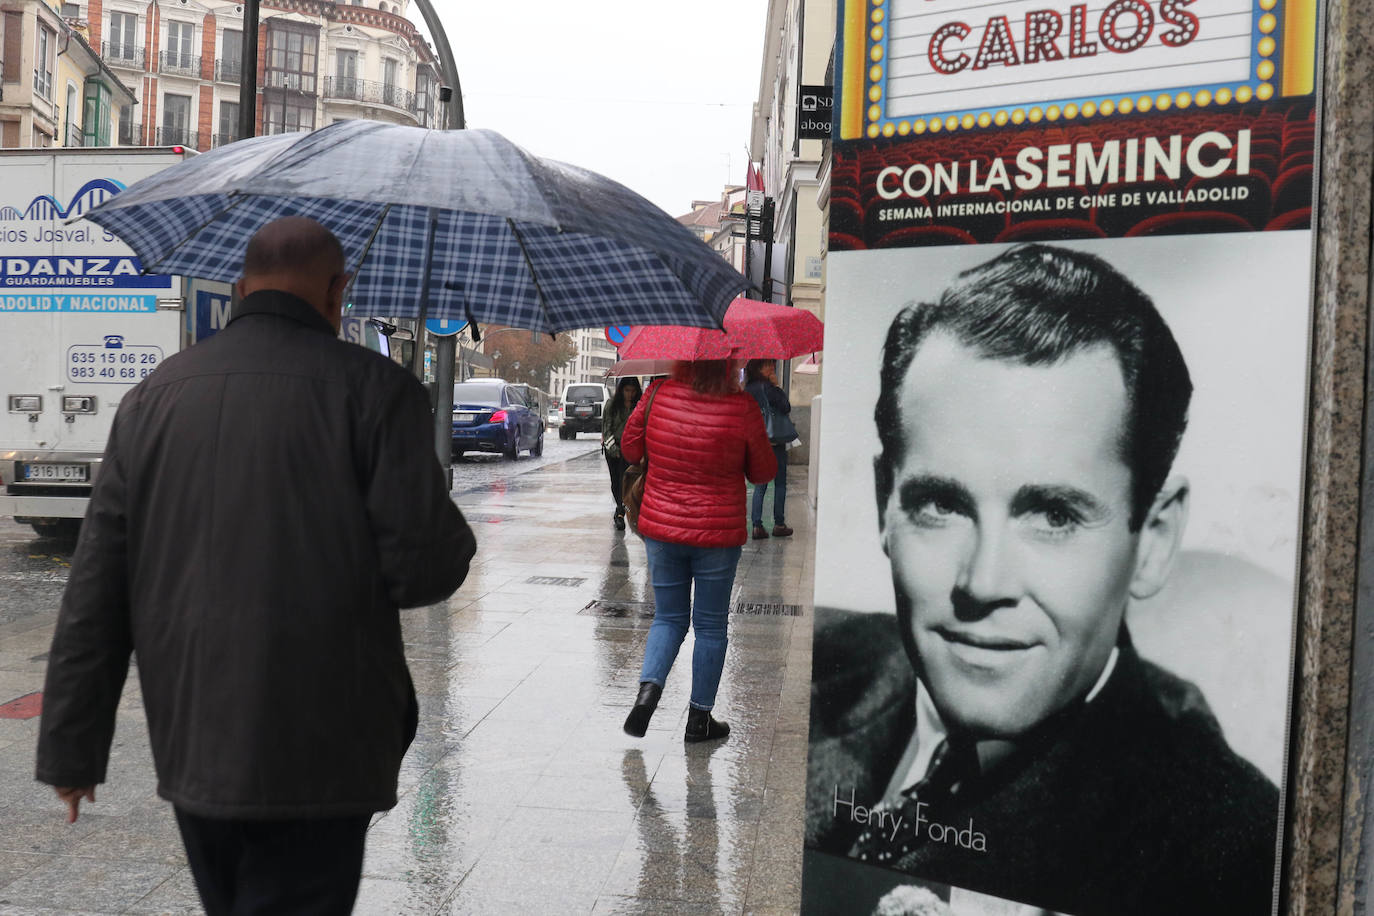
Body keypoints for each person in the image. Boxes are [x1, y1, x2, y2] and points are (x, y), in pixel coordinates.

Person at [805, 245, 1279, 916]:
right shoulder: (828, 664)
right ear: (887, 503)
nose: (983, 581)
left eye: (1053, 515)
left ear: (1154, 540)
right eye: (941, 504)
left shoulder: (1224, 853)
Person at [35, 217, 477, 915]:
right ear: (339, 292)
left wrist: (71, 751)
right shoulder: (376, 390)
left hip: (196, 741)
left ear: (240, 288)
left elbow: (97, 588)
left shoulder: (152, 398)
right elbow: (424, 573)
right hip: (329, 744)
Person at [620, 360, 776, 742]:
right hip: (716, 536)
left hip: (663, 528)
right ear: (728, 364)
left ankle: (648, 694)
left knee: (668, 619)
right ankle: (699, 719)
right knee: (710, 626)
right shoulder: (741, 406)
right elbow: (763, 472)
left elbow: (629, 448)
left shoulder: (656, 393)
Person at [744, 358, 794, 539]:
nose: (772, 367)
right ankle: (779, 523)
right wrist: (776, 386)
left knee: (760, 485)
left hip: (757, 442)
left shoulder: (747, 389)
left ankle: (757, 525)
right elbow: (785, 407)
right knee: (780, 483)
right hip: (775, 442)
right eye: (768, 365)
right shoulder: (770, 389)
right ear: (759, 368)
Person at [601, 376, 643, 530]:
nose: (630, 394)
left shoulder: (639, 405)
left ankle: (620, 512)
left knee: (628, 483)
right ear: (621, 390)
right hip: (614, 450)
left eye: (633, 391)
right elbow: (607, 428)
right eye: (627, 391)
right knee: (616, 482)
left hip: (631, 450)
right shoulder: (611, 405)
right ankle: (620, 508)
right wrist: (614, 450)